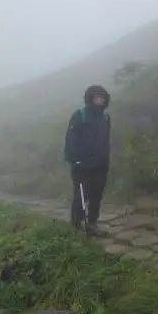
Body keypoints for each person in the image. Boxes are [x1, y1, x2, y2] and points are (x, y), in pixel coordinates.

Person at [64, 85, 111, 236]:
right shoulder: (79, 115)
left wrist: (105, 159)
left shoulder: (106, 118)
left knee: (96, 196)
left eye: (102, 97)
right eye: (97, 97)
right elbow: (71, 139)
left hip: (100, 165)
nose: (100, 100)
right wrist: (74, 160)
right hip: (81, 165)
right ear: (90, 98)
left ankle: (92, 223)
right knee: (80, 197)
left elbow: (106, 140)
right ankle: (76, 224)